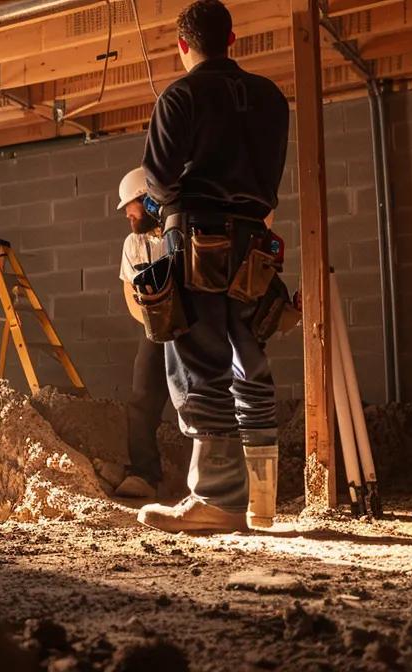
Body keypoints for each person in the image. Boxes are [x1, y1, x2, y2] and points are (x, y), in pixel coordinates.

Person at [136, 0, 289, 533]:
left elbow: (156, 179)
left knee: (199, 360)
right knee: (250, 356)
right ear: (233, 39)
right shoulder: (271, 98)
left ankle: (219, 500)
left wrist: (171, 207)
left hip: (197, 235)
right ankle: (262, 504)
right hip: (253, 242)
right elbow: (270, 177)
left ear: (183, 45)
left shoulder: (180, 95)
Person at [114, 167, 168, 500]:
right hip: (155, 329)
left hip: (192, 329)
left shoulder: (181, 232)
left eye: (130, 207)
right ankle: (145, 474)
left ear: (149, 201)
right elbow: (128, 293)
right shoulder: (133, 244)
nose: (128, 215)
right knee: (142, 400)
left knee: (195, 399)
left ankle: (210, 481)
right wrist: (155, 325)